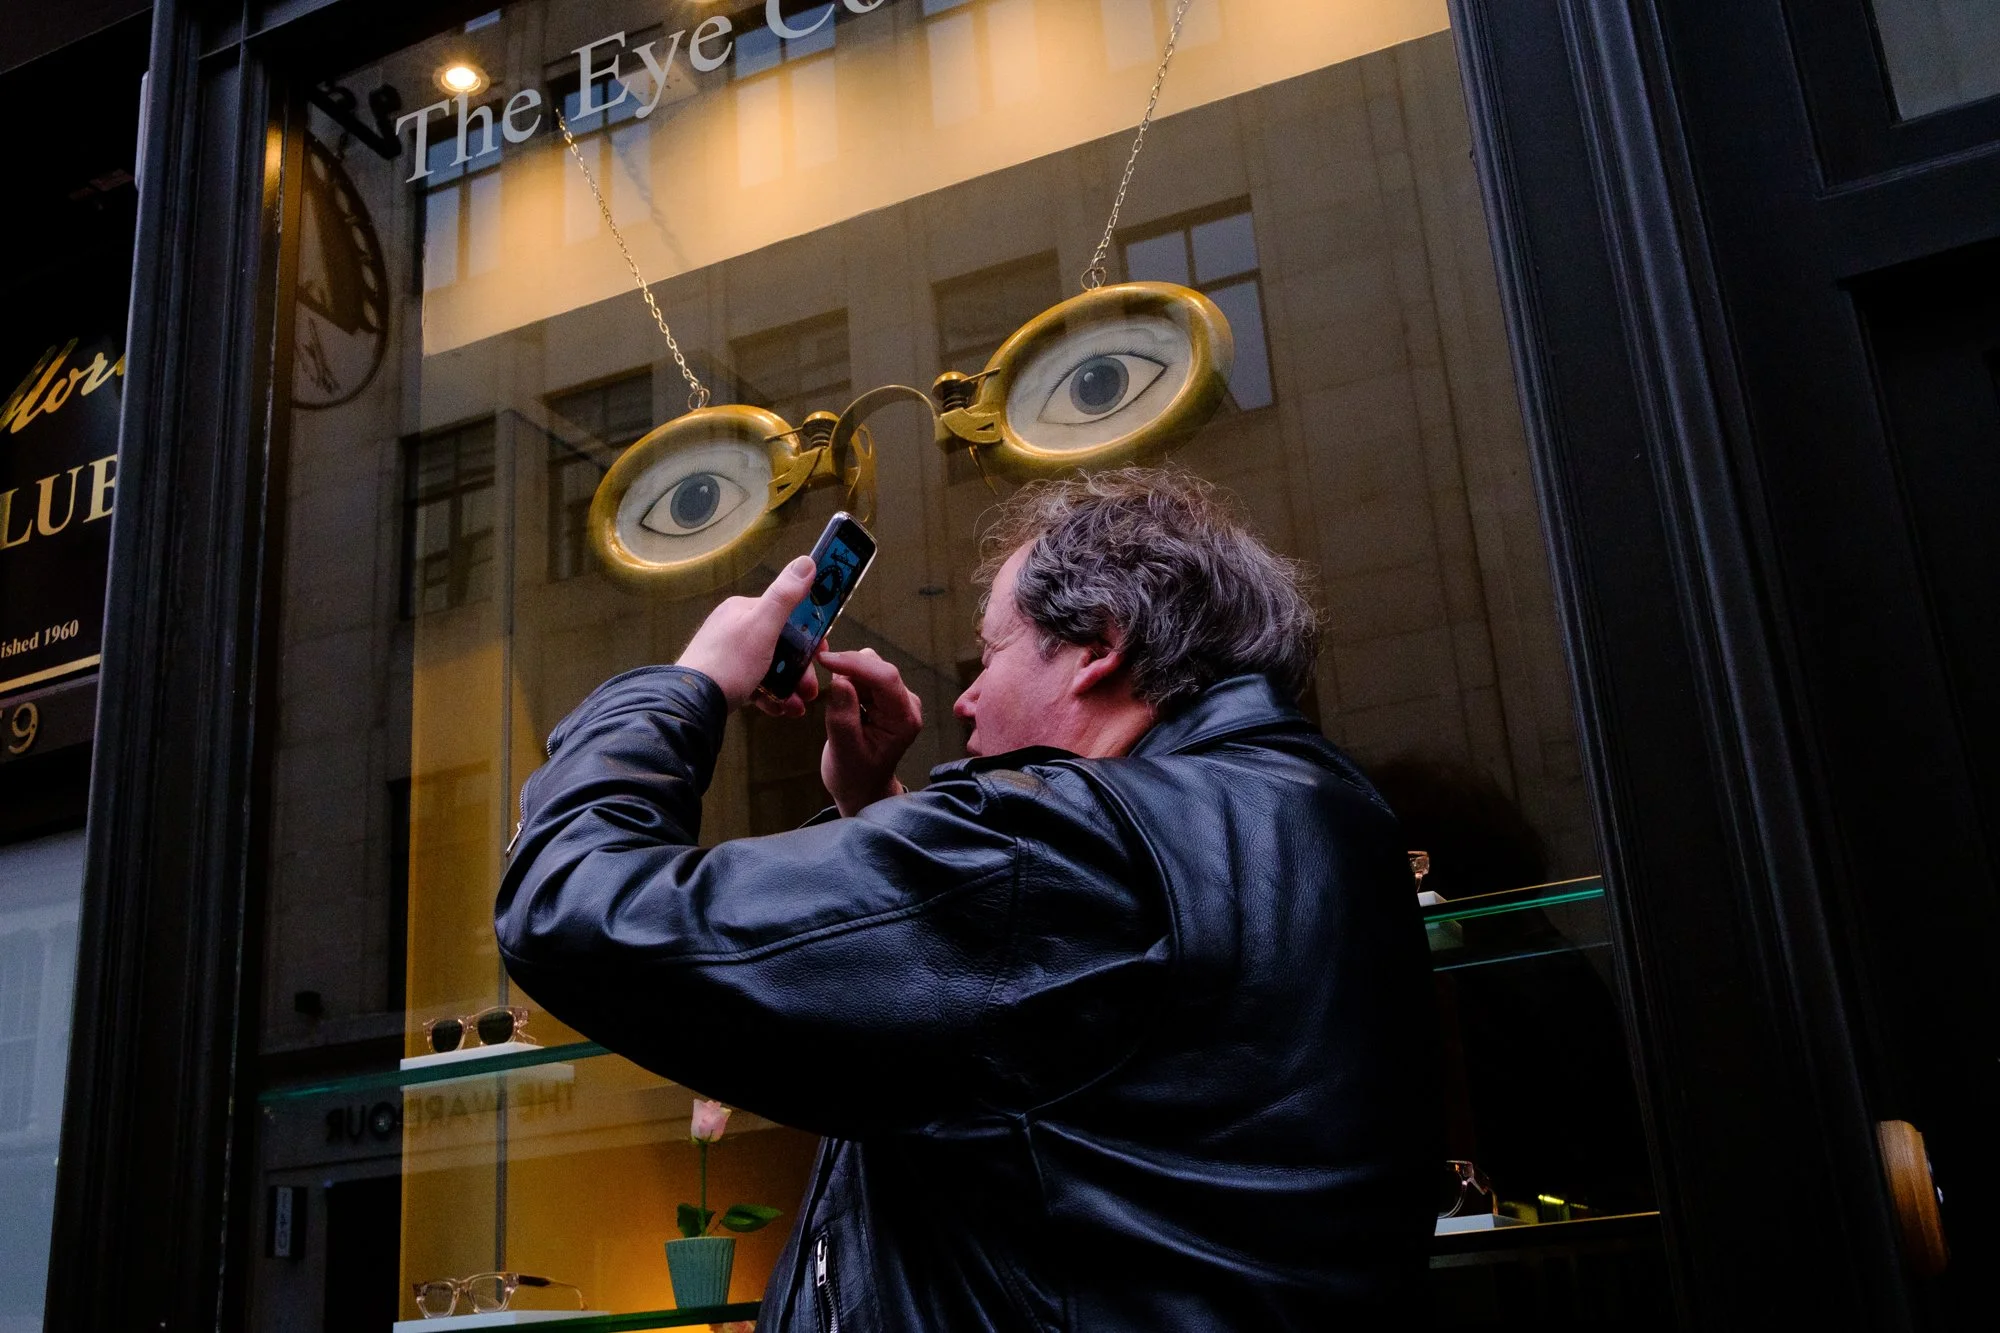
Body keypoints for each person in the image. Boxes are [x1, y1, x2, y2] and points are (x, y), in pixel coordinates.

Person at [495, 469, 1440, 1331]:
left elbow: (574, 908)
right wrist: (882, 816)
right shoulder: (1330, 816)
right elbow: (1058, 1077)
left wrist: (690, 683)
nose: (965, 700)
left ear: (1097, 649)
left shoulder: (1066, 844)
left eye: (990, 654)